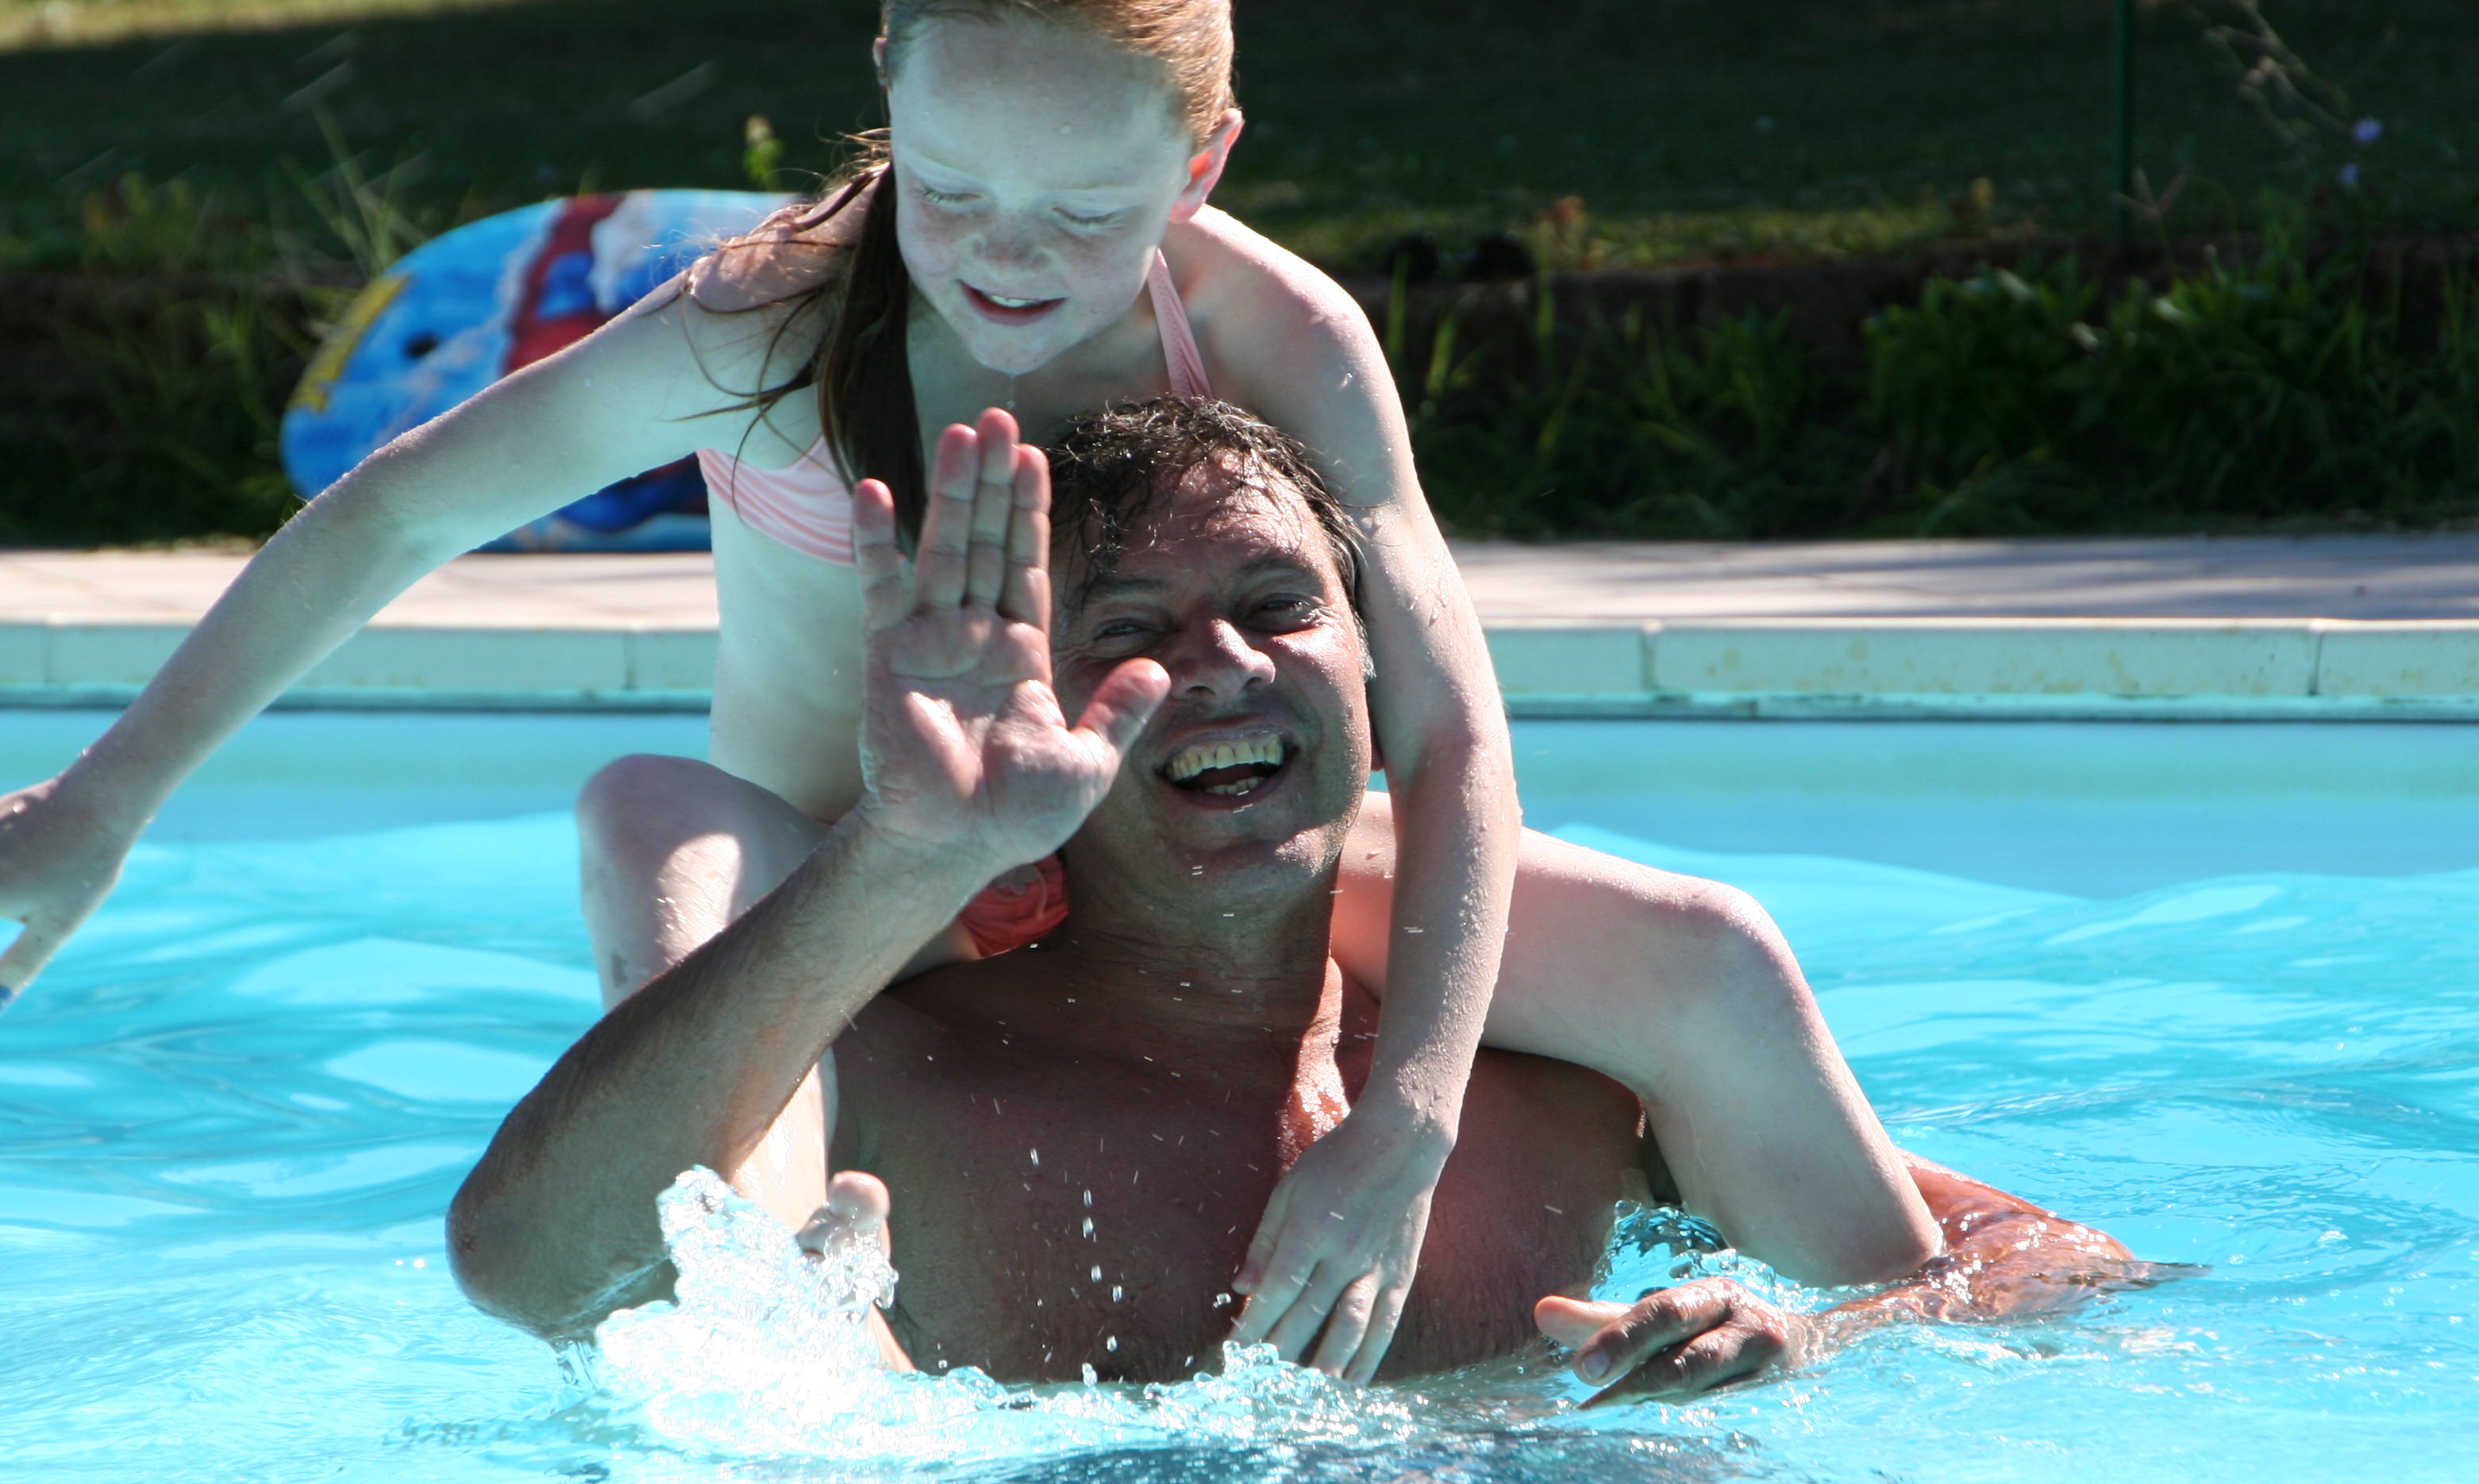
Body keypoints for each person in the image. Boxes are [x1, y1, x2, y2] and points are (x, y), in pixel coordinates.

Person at [0, 0, 1927, 1382]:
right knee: (660, 818)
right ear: (887, 115)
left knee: (1697, 951)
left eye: (1088, 215)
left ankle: (1822, 1267)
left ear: (1207, 160)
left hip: (1177, 868)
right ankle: (767, 1289)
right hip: (862, 885)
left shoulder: (1274, 336)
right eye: (952, 194)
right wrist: (96, 818)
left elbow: (1447, 720)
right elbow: (392, 516)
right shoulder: (765, 328)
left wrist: (1409, 1113)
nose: (1011, 263)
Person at [448, 398, 2150, 1392]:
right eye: (1130, 632)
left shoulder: (1578, 1073)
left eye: (1279, 603)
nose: (1226, 669)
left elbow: (2037, 1279)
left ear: (1370, 659)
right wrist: (908, 850)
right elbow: (530, 1272)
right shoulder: (888, 1079)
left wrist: (1792, 1347)